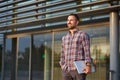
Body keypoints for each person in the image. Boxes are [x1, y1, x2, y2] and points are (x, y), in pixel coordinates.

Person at [59, 14, 91, 80]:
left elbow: (87, 51)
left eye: (71, 20)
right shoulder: (64, 38)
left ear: (77, 22)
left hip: (78, 70)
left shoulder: (83, 35)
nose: (69, 22)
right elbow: (62, 53)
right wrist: (62, 65)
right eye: (68, 20)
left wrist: (88, 65)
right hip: (66, 70)